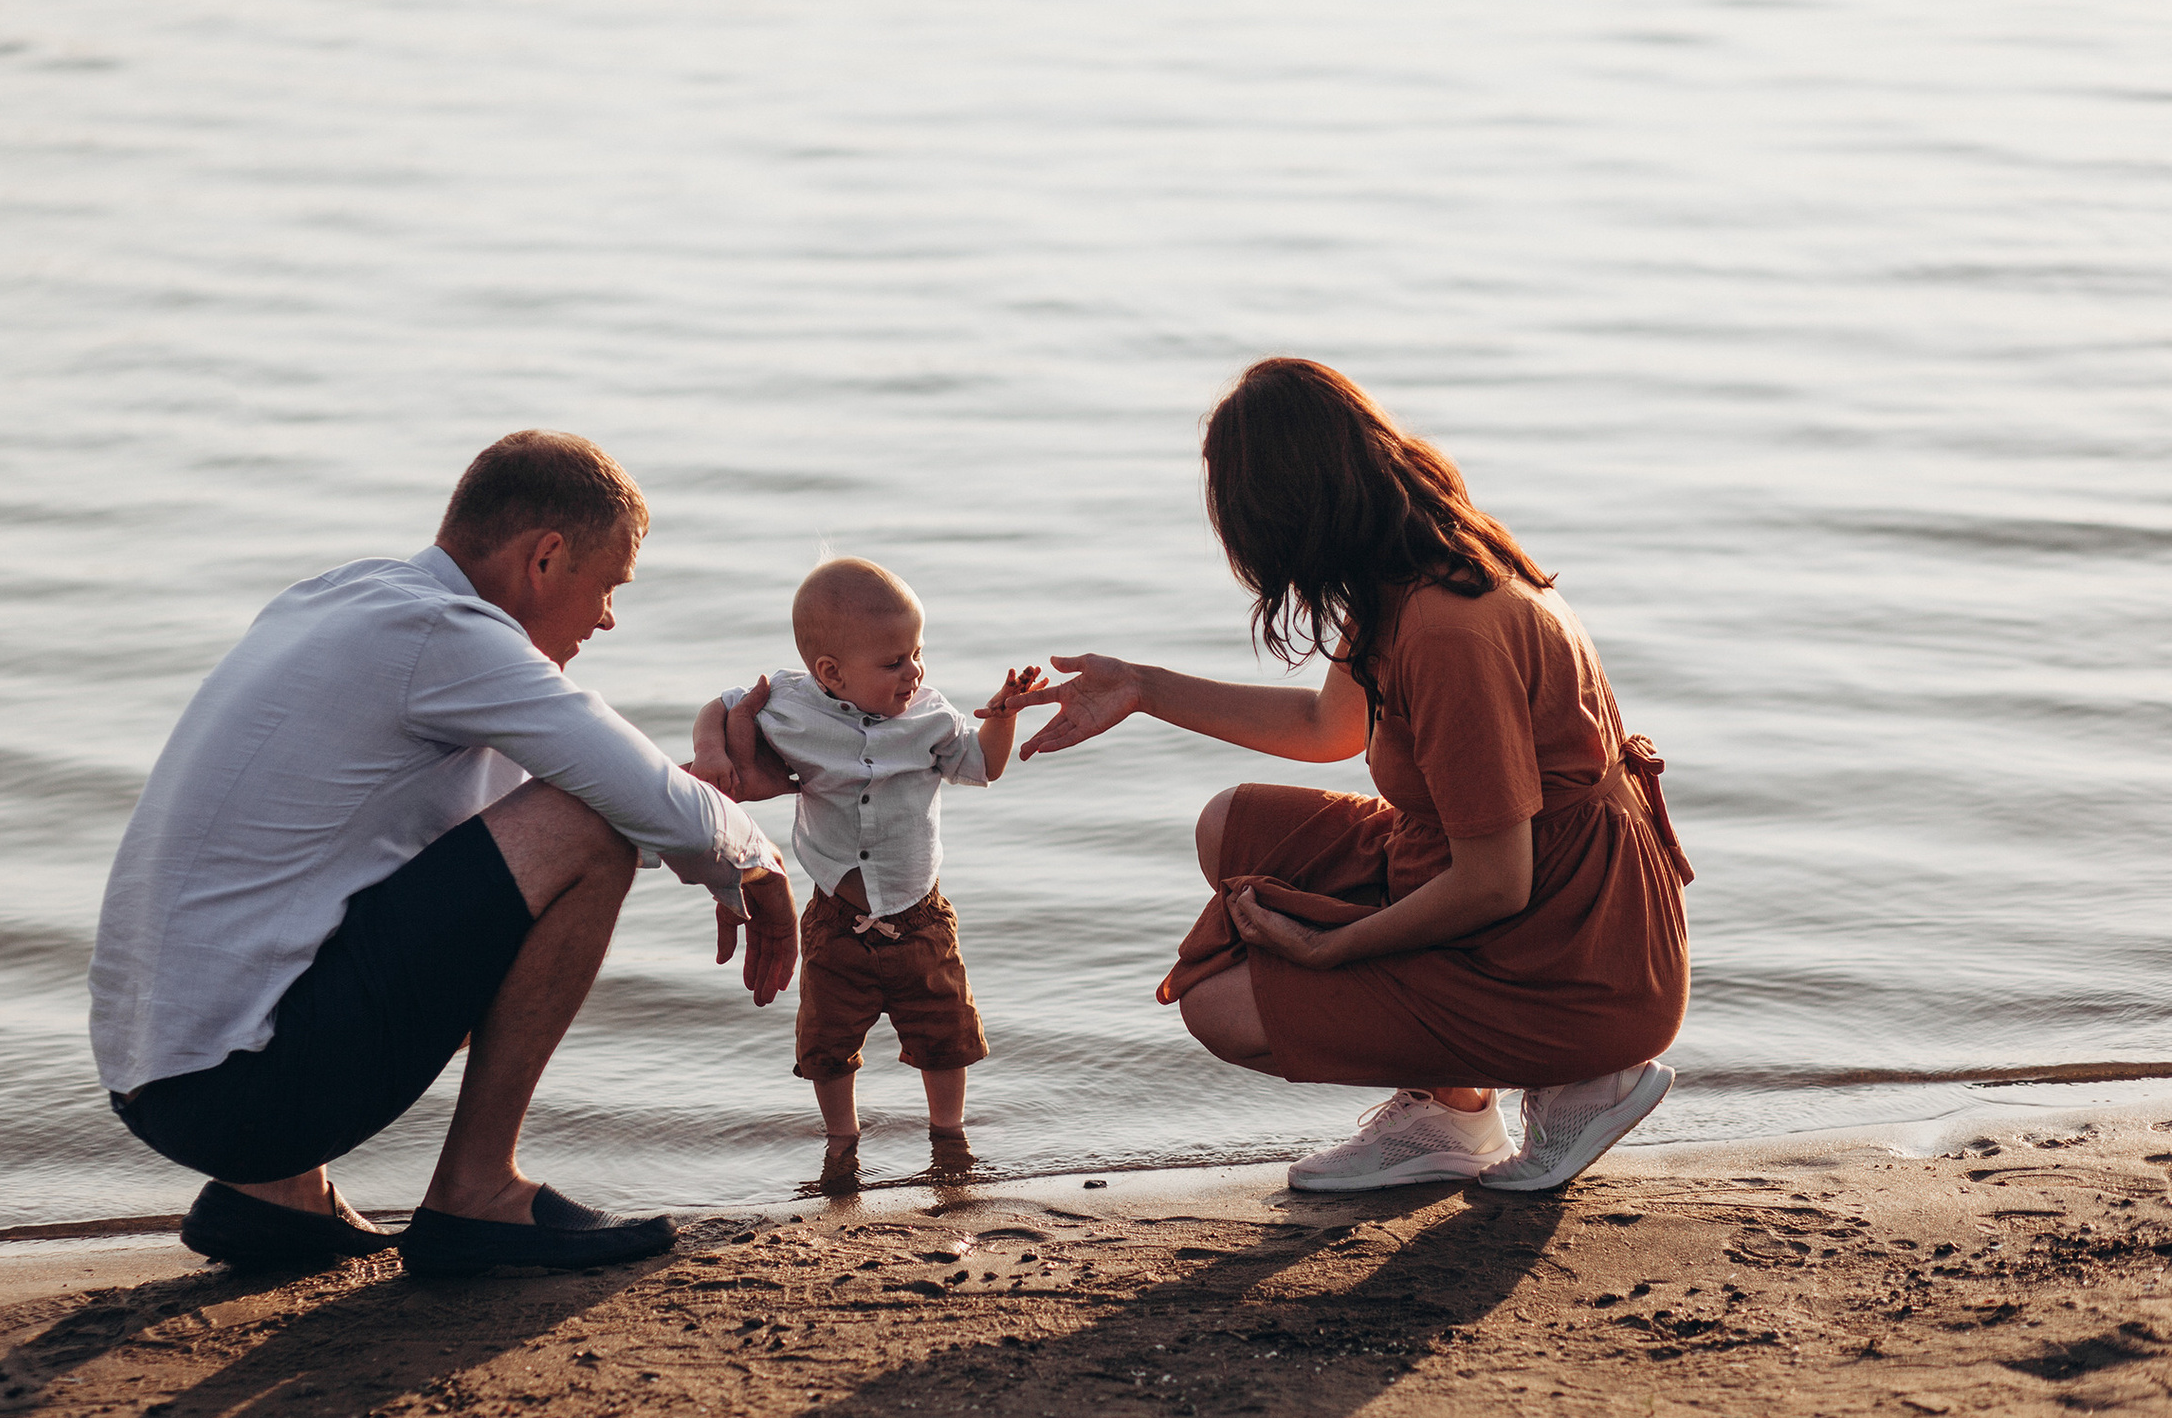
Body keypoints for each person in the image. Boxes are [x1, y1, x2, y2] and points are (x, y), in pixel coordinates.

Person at [87, 430, 798, 1277]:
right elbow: (595, 816)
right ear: (547, 557)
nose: (608, 617)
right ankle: (477, 1191)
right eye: (608, 586)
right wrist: (755, 857)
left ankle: (274, 1196)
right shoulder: (445, 635)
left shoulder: (344, 598)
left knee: (586, 817)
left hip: (157, 1085)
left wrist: (698, 800)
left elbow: (519, 849)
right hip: (241, 1094)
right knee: (596, 822)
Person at [1002, 359, 1694, 1193]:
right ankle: (1453, 1108)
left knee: (1219, 1006)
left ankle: (1585, 1080)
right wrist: (1145, 690)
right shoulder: (1407, 562)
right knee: (1229, 825)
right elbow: (1326, 728)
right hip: (1513, 884)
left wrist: (1332, 948)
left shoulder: (1448, 631)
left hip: (1575, 956)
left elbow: (1497, 882)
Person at [688, 559, 1042, 1166]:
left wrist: (1003, 719)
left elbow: (983, 765)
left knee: (945, 1034)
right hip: (835, 917)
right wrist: (711, 752)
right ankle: (841, 1139)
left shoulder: (930, 716)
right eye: (893, 662)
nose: (914, 672)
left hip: (919, 915)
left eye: (917, 653)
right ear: (830, 672)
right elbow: (720, 708)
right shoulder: (790, 705)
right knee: (826, 1040)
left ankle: (948, 1132)